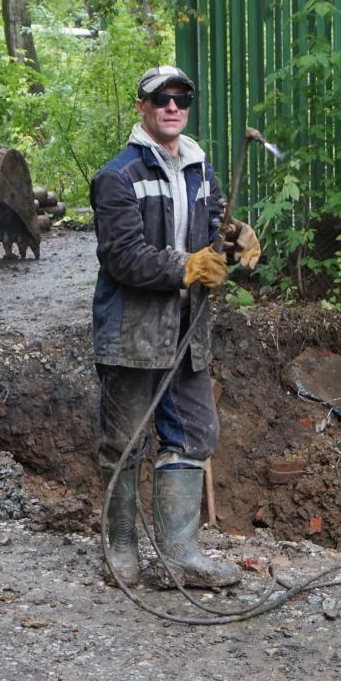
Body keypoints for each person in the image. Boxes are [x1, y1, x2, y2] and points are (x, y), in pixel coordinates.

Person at [89, 65, 261, 588]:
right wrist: (186, 266)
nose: (172, 106)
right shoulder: (117, 177)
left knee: (193, 434)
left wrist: (235, 238)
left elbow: (212, 231)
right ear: (140, 107)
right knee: (124, 443)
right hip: (134, 333)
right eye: (160, 98)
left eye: (181, 98)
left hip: (189, 332)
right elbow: (123, 257)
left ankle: (180, 555)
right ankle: (120, 548)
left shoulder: (199, 170)